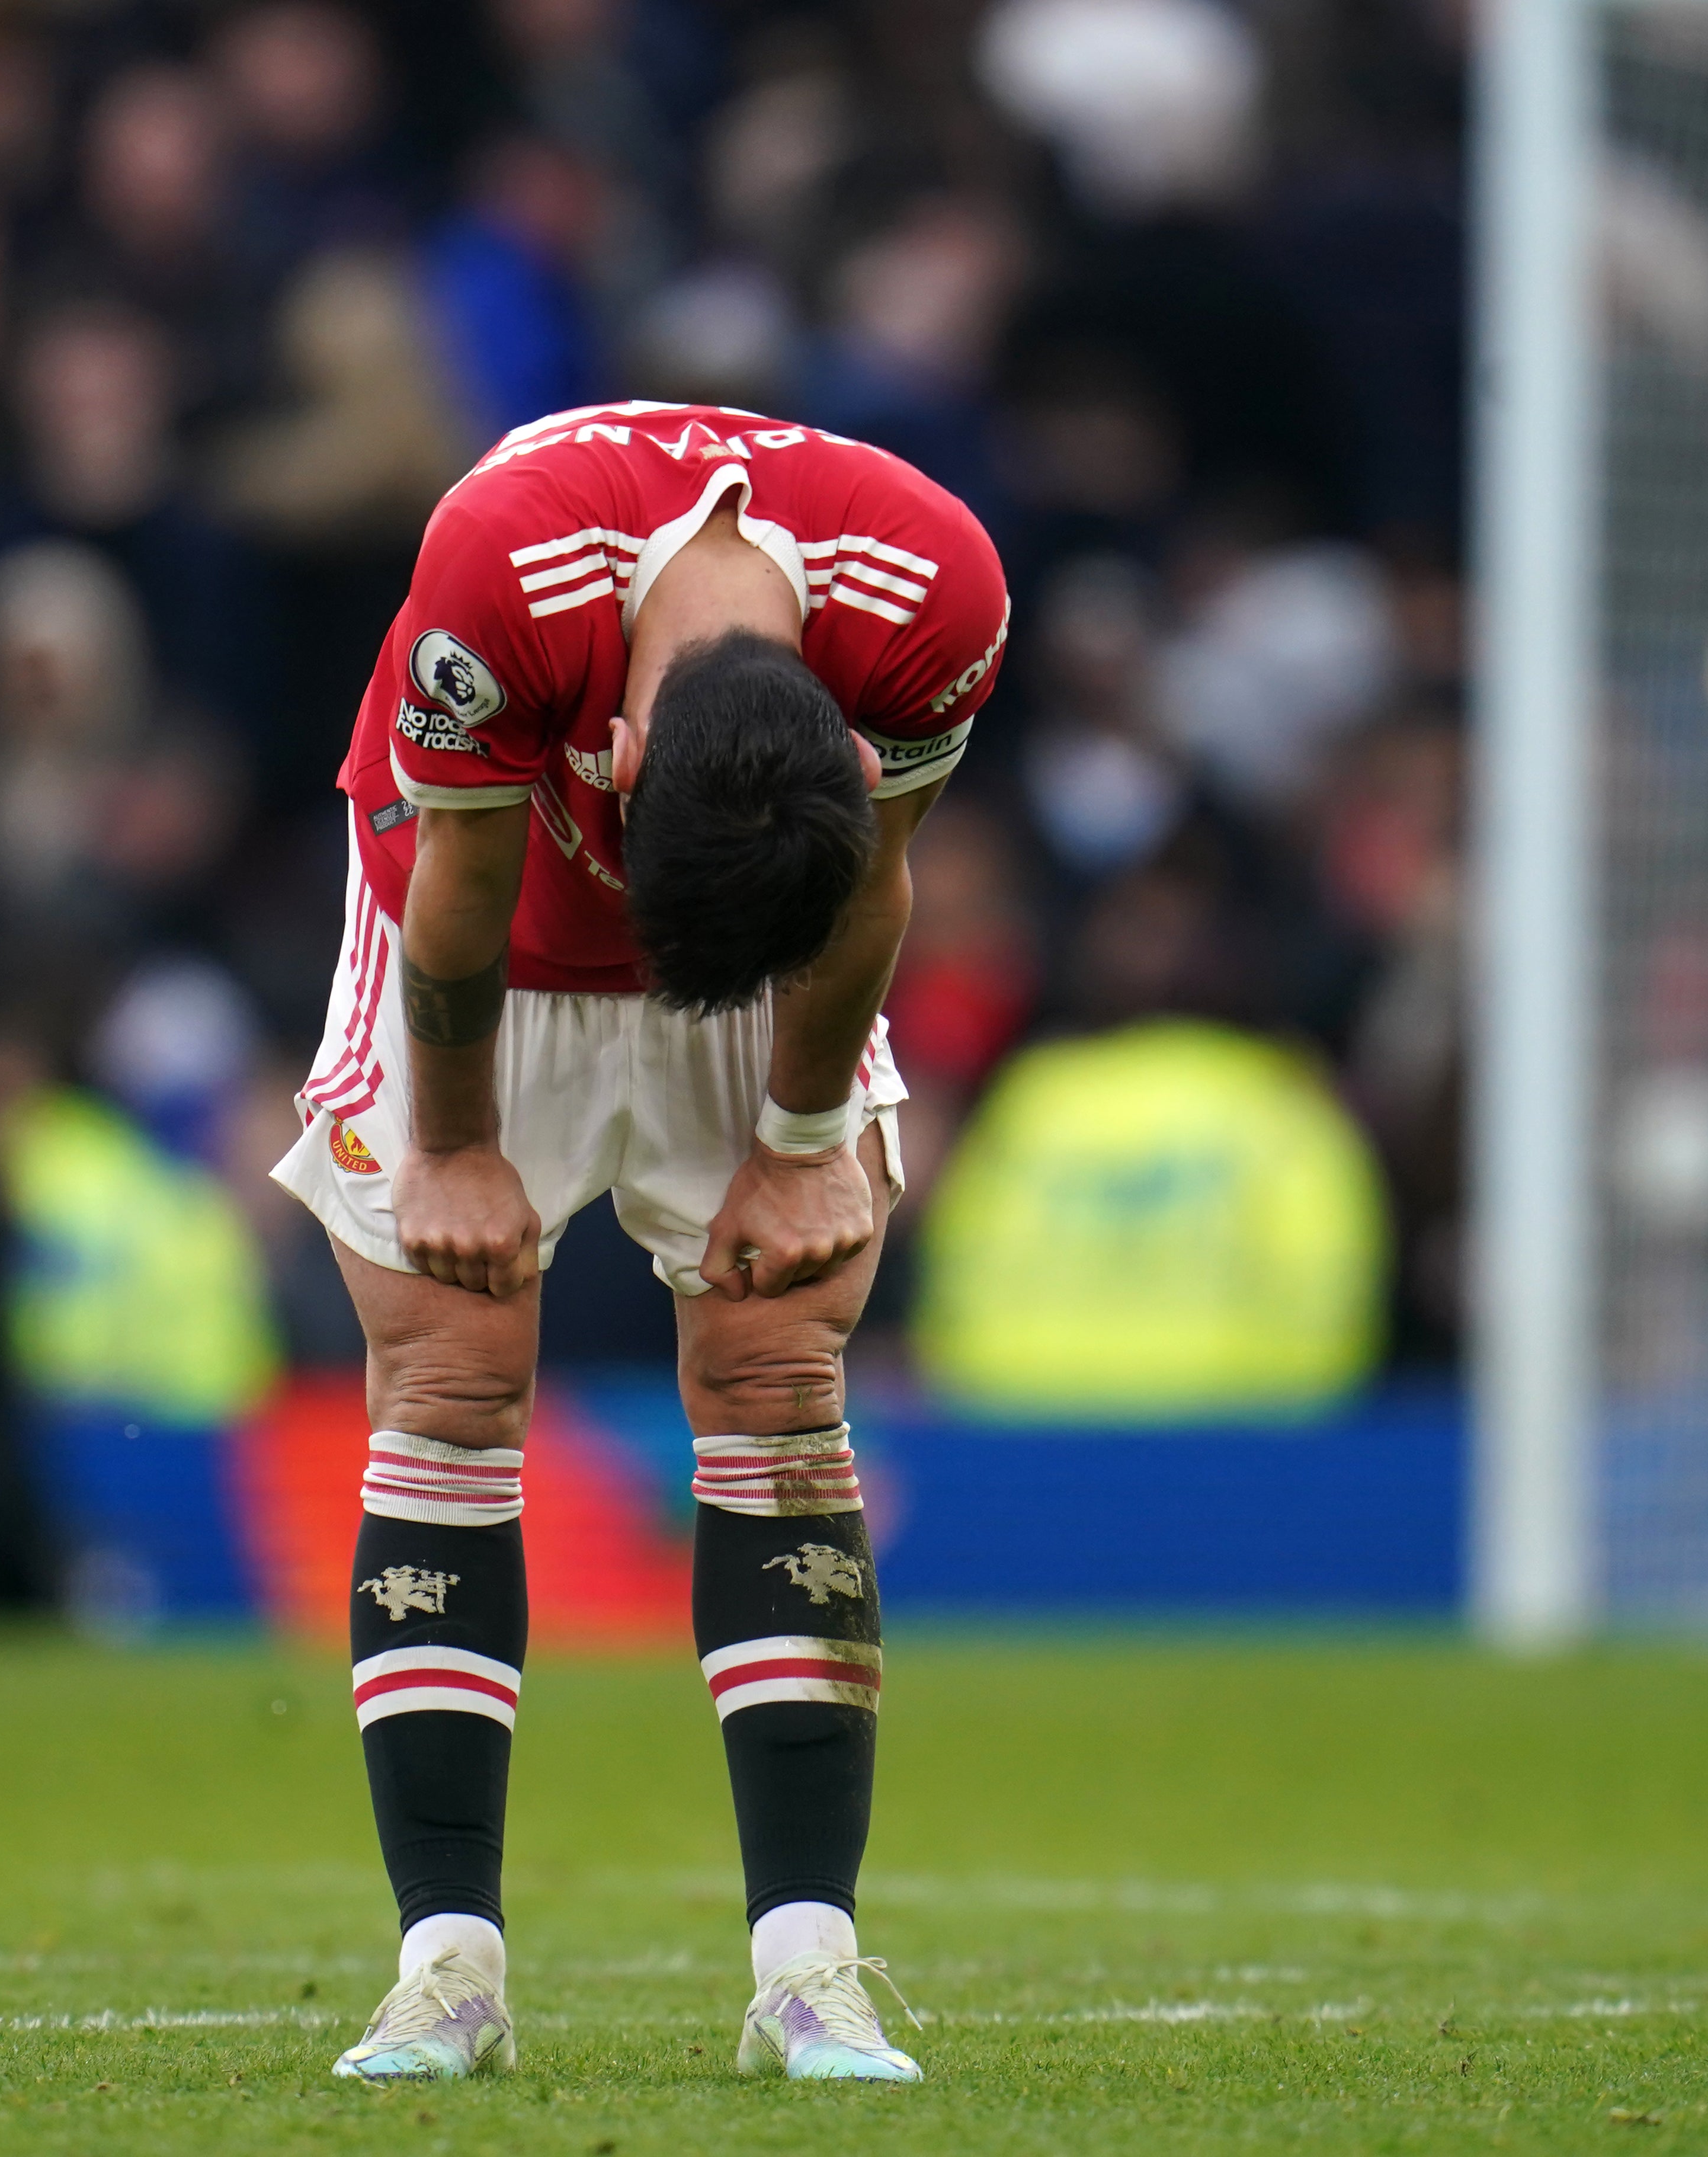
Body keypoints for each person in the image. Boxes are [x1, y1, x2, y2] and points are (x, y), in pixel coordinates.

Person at [272, 402, 1008, 2084]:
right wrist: (452, 1149)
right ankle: (446, 1969)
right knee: (451, 1375)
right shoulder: (501, 566)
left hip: (774, 944)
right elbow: (452, 882)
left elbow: (874, 878)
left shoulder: (937, 591)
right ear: (603, 763)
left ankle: (809, 1974)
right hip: (489, 931)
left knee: (776, 1366)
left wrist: (803, 1142)